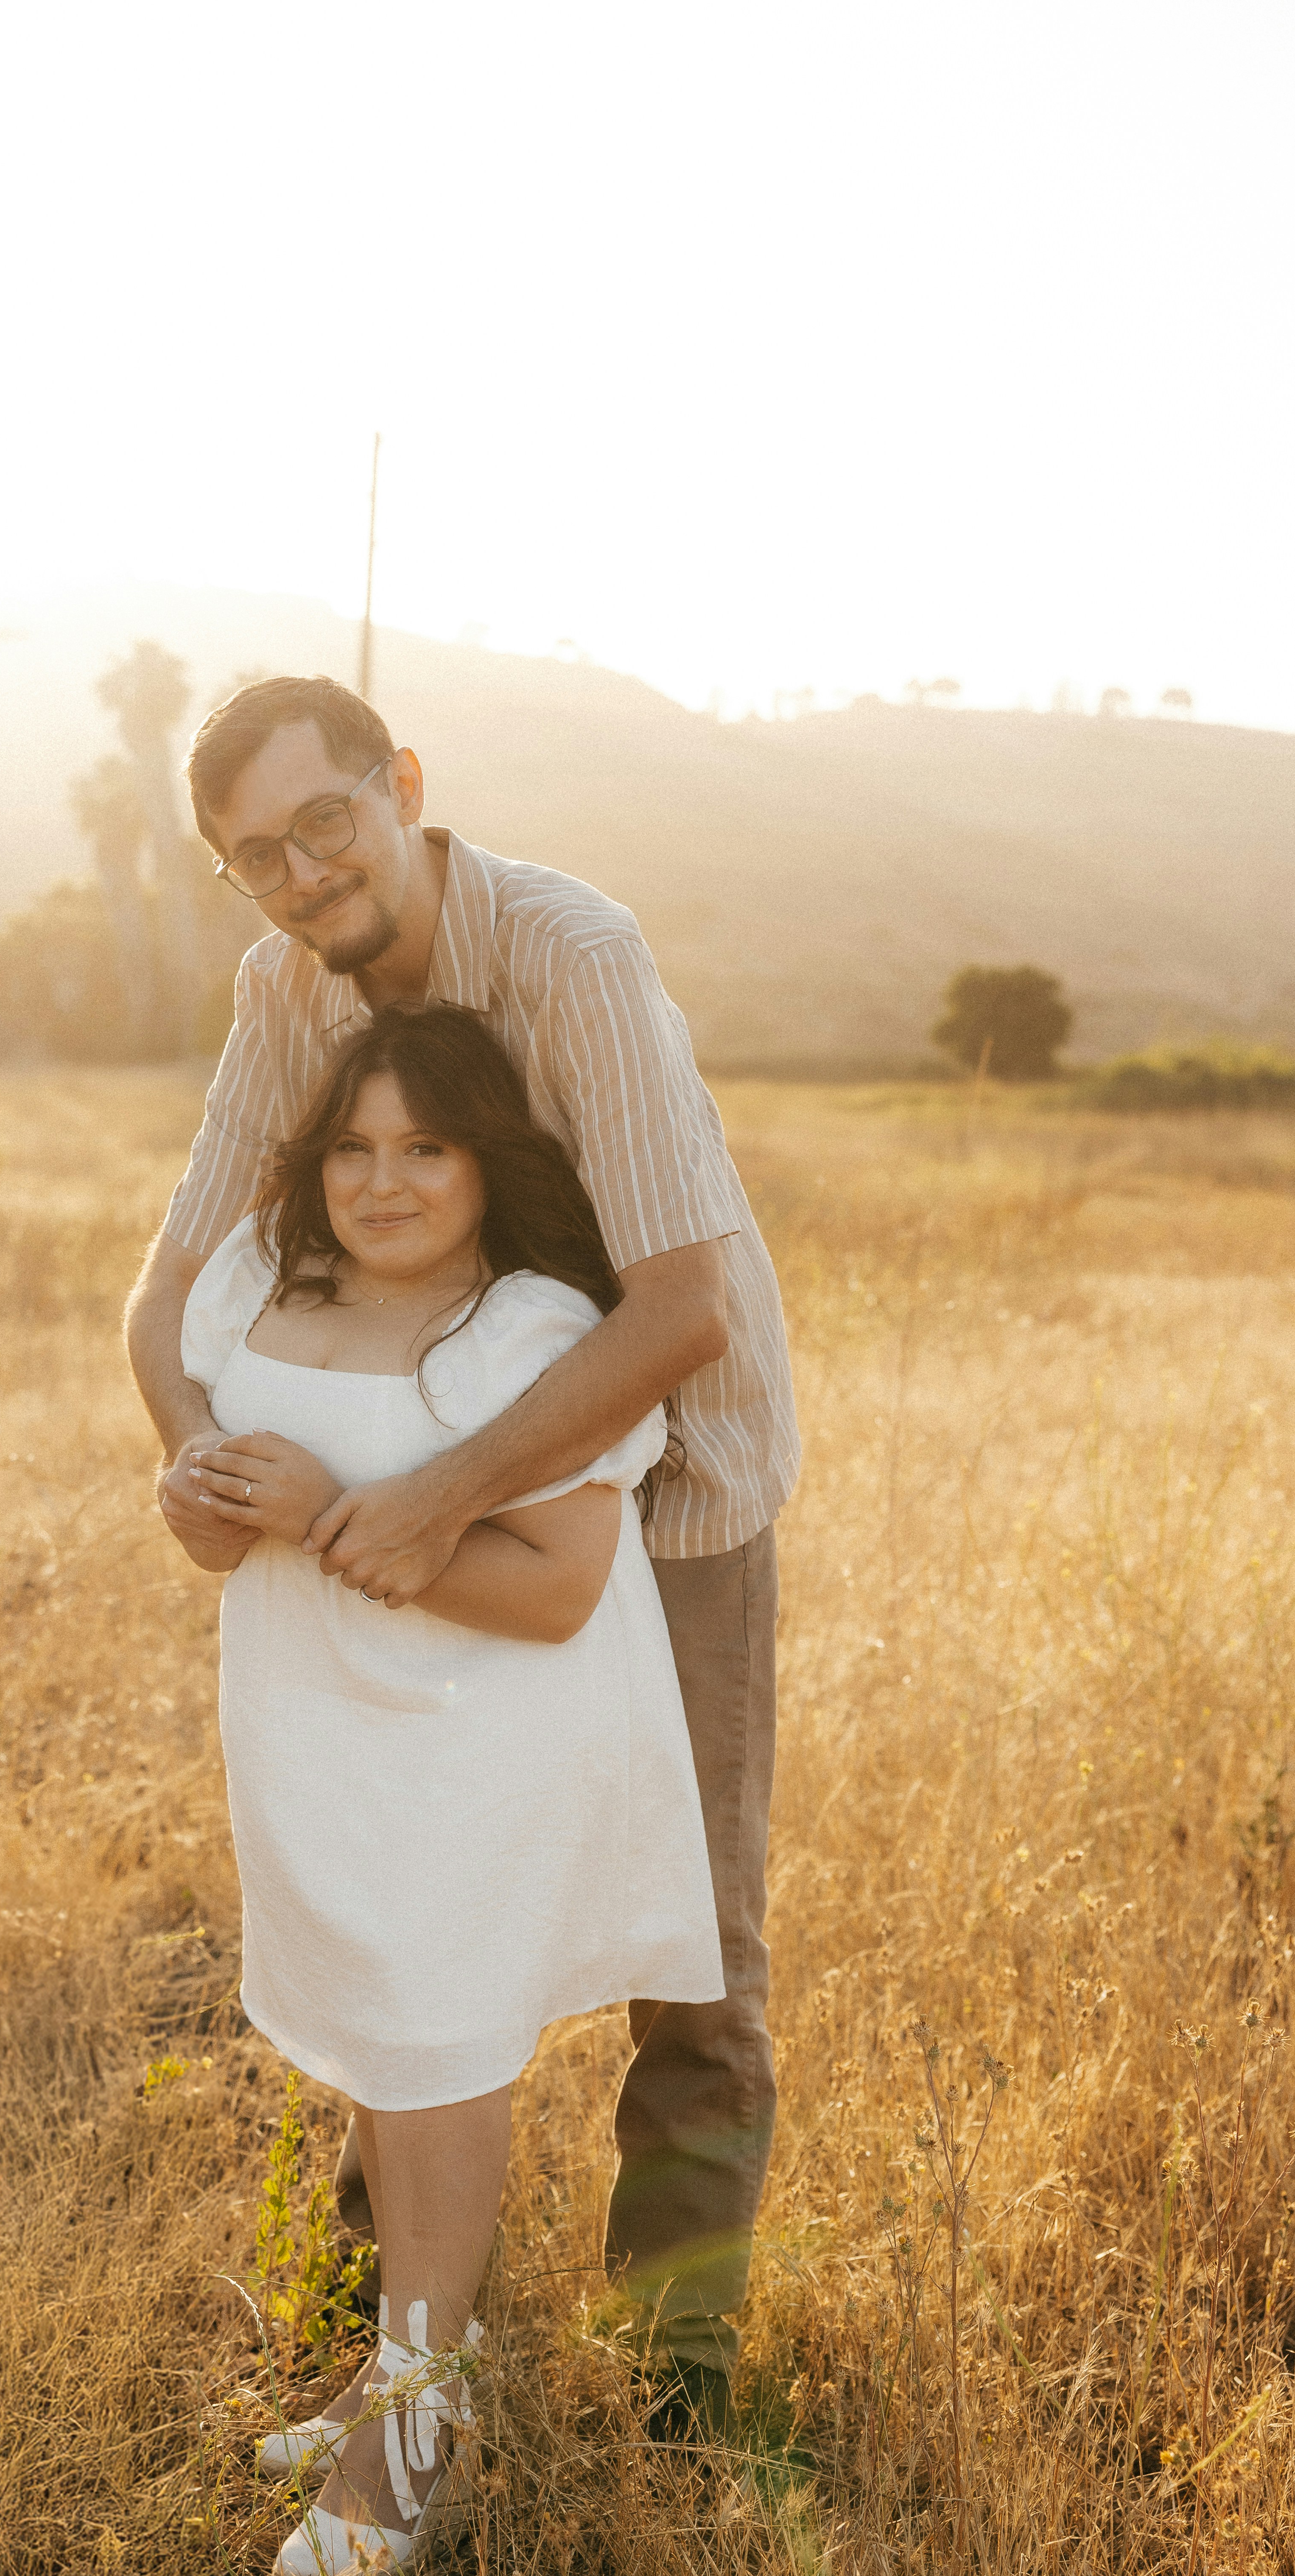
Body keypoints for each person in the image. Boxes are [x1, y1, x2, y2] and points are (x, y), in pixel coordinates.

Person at [124, 674, 800, 2450]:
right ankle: (401, 2363)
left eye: (323, 823)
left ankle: (675, 2386)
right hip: (423, 1502)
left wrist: (436, 1493)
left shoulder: (568, 951)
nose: (296, 872)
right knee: (395, 1899)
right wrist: (192, 1457)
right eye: (252, 856)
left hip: (674, 1496)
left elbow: (681, 1305)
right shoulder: (285, 985)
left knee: (692, 1956)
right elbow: (164, 1288)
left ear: (401, 786)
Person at [164, 1003, 724, 2576]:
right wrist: (194, 1489)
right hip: (317, 1735)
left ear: (490, 1162)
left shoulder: (532, 1332)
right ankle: (406, 2372)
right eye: (353, 1145)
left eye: (425, 1146)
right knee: (378, 2049)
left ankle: (410, 2439)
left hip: (478, 1749)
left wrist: (326, 1506)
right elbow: (212, 1514)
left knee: (434, 2052)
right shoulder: (264, 1291)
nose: (384, 1180)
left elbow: (557, 1591)